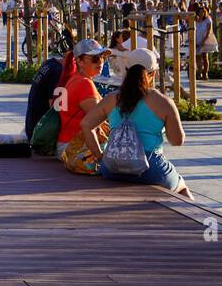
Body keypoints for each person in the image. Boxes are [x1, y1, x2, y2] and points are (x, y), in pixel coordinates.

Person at [80, 49, 191, 197]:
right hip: (150, 168)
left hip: (112, 167)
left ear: (126, 71)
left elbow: (86, 124)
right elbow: (177, 141)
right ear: (153, 74)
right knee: (182, 188)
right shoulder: (163, 102)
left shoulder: (111, 99)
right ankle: (202, 219)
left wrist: (100, 156)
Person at [56, 39, 109, 174]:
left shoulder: (75, 78)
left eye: (102, 57)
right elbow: (102, 118)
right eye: (95, 59)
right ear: (79, 61)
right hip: (76, 148)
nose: (101, 62)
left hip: (66, 145)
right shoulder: (84, 84)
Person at [193, 4, 216, 81]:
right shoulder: (195, 20)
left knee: (205, 57)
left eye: (203, 12)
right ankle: (199, 72)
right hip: (196, 39)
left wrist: (203, 40)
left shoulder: (208, 20)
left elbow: (209, 31)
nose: (201, 14)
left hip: (205, 40)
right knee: (198, 57)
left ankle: (205, 73)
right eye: (199, 12)